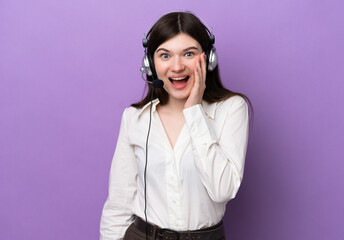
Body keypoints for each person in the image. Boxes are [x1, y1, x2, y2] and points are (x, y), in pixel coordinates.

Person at [100, 11, 253, 240]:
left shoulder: (231, 109)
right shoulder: (135, 118)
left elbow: (223, 190)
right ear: (150, 64)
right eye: (165, 56)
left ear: (209, 58)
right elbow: (119, 203)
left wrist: (193, 110)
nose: (177, 66)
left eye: (188, 54)